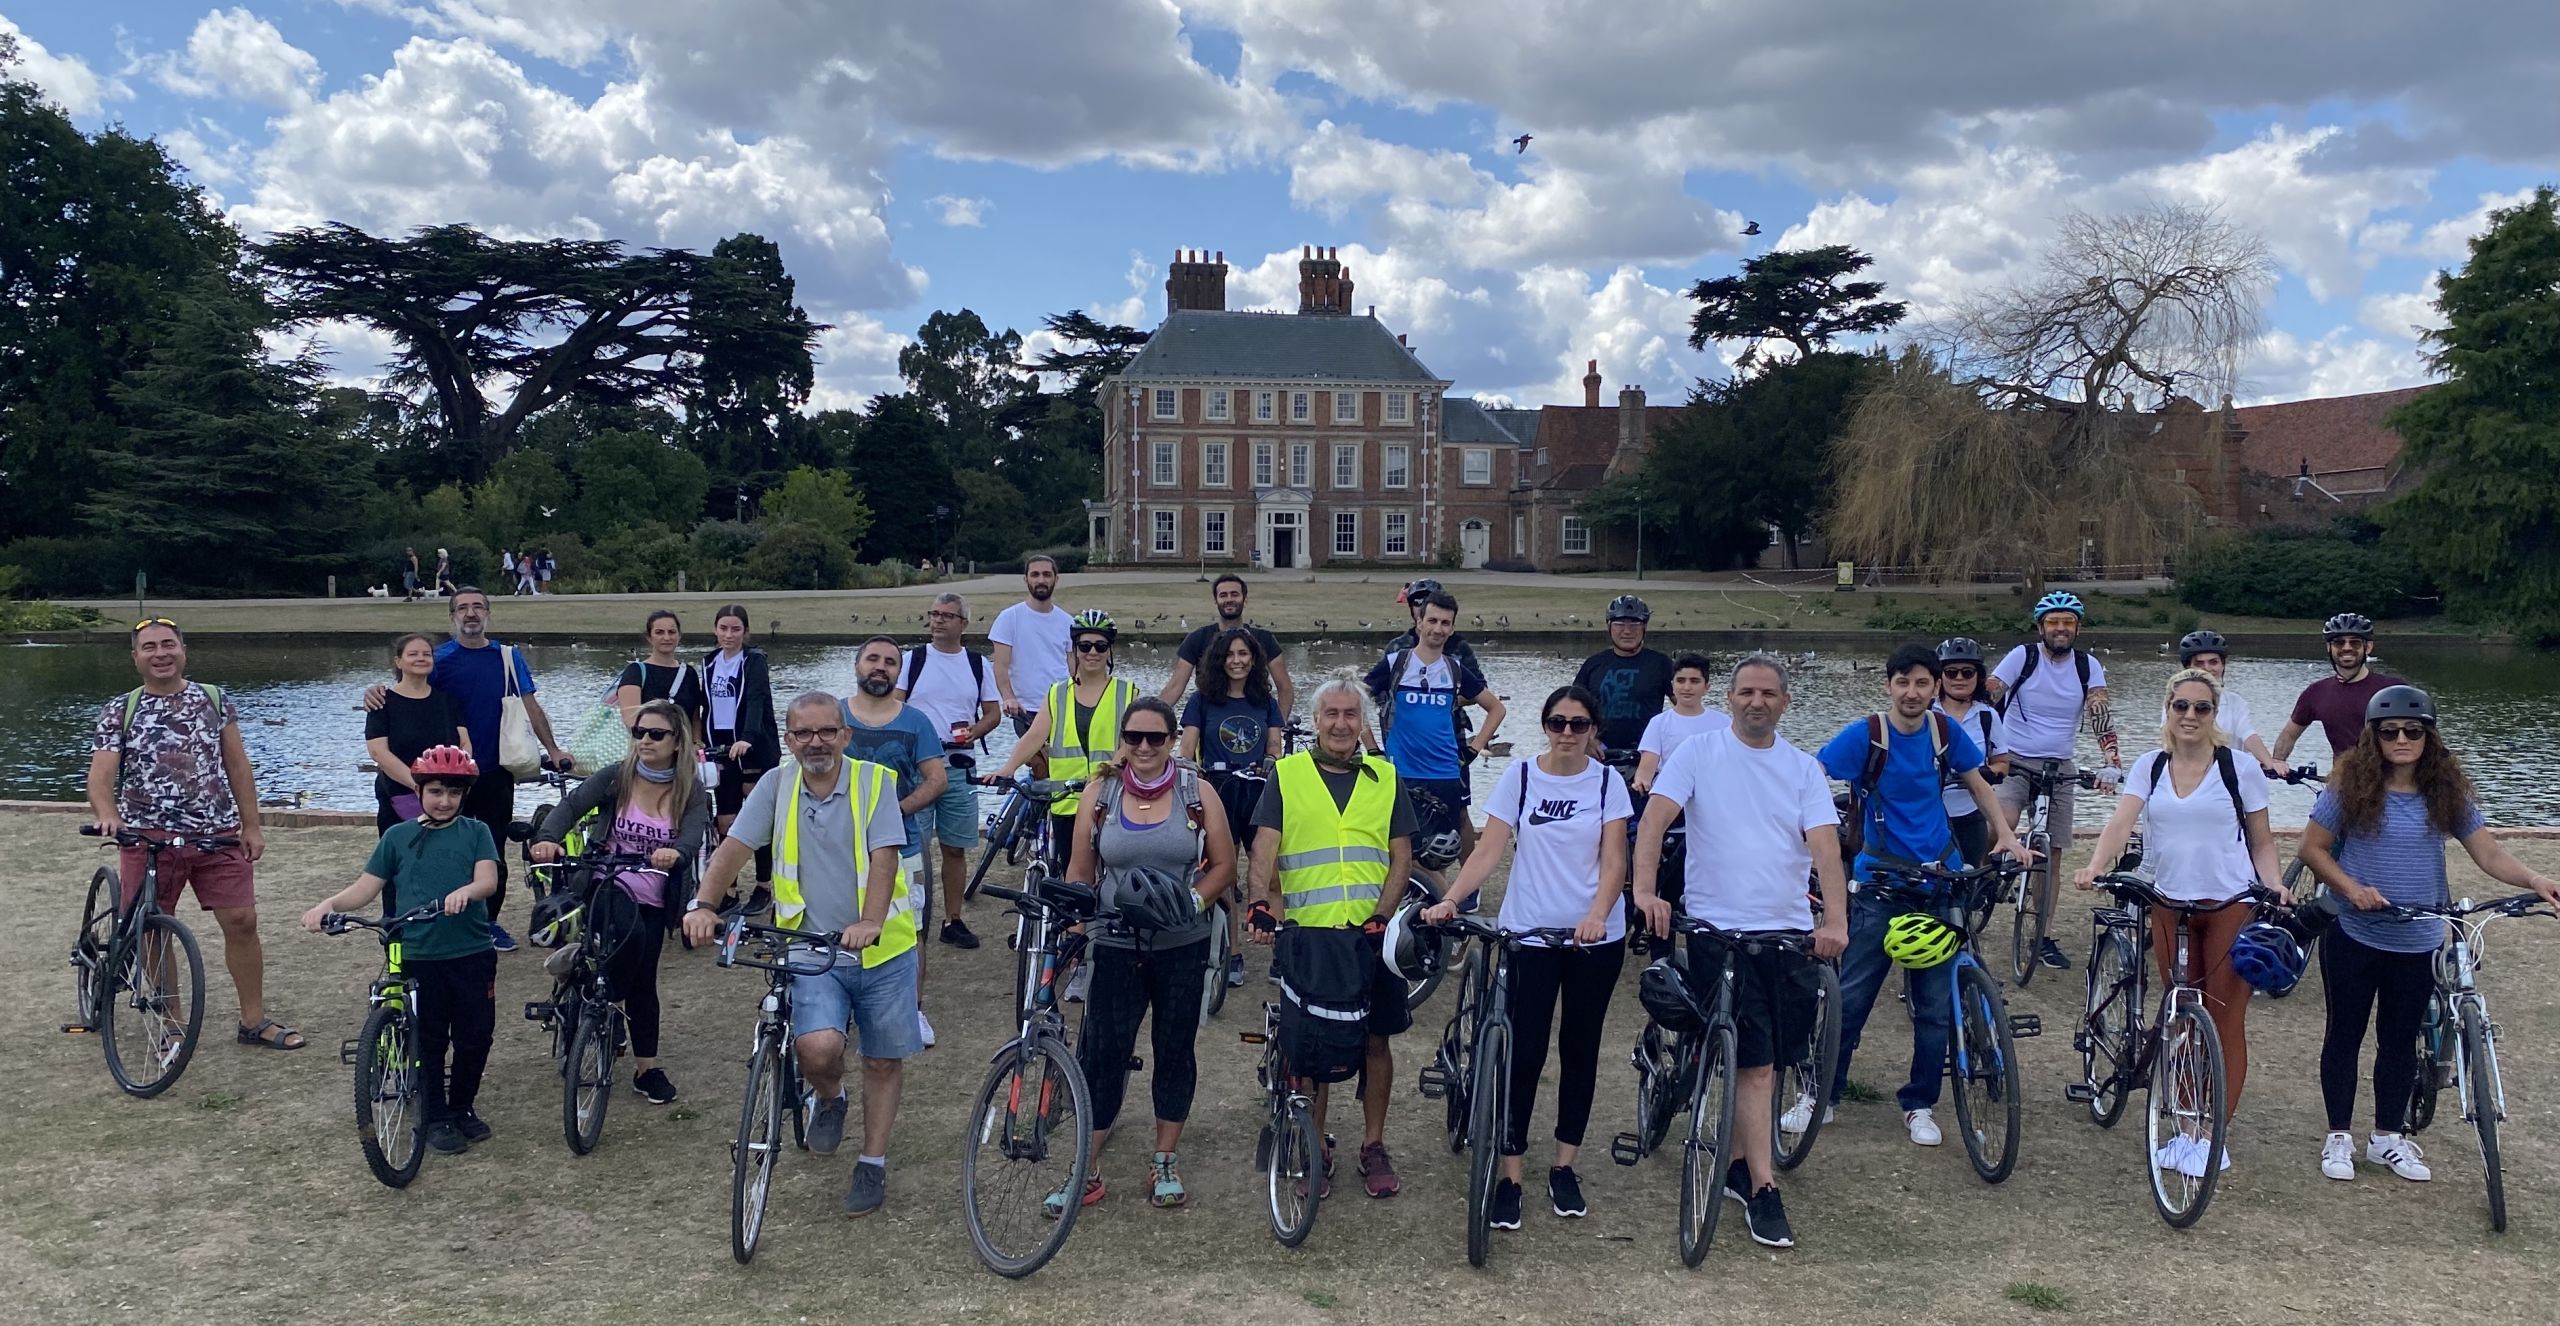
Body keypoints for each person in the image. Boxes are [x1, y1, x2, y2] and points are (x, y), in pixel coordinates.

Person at [2296, 685, 2560, 1184]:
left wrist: (2534, 879)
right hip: (2354, 934)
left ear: (2428, 737)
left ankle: (2387, 1138)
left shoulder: (2445, 793)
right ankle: (2338, 1135)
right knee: (2345, 1034)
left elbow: (2489, 853)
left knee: (2399, 1041)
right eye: (2390, 731)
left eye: (2412, 731)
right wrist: (2353, 889)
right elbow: (2313, 849)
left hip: (2417, 940)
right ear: (2374, 736)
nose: (2401, 739)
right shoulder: (2348, 788)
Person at [1630, 652, 1849, 1249]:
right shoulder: (1699, 754)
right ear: (1730, 699)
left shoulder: (1803, 769)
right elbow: (1654, 823)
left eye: (1768, 694)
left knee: (1769, 1060)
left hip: (1783, 932)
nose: (1757, 702)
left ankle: (1732, 1157)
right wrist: (1645, 889)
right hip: (1715, 928)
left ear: (1784, 702)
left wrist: (1835, 918)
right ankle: (1761, 1187)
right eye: (1746, 692)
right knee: (1754, 1066)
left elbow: (1826, 848)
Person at [683, 693, 919, 1219]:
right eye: (803, 733)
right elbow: (734, 848)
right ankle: (831, 1098)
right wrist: (702, 902)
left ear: (845, 736)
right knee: (815, 1049)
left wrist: (871, 921)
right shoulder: (776, 784)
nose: (816, 742)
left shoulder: (873, 782)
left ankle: (872, 1161)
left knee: (881, 1059)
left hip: (883, 948)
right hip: (810, 948)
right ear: (788, 740)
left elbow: (883, 858)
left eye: (827, 732)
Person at [1425, 685, 1628, 1227]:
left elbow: (1614, 863)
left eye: (1579, 724)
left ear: (1593, 730)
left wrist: (1598, 914)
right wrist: (1450, 900)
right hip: (1530, 935)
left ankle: (1565, 1166)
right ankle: (1510, 1173)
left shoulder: (1608, 784)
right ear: (1545, 725)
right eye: (1558, 722)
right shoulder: (1518, 777)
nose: (1567, 733)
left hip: (1593, 940)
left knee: (1580, 1049)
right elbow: (1490, 850)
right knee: (1524, 1052)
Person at [2078, 669, 2286, 1179]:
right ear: (2167, 712)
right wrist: (2096, 866)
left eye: (2202, 708)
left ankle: (2212, 1133)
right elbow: (2121, 822)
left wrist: (2275, 885)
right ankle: (2185, 1127)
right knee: (2179, 1011)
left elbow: (2261, 841)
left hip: (2230, 901)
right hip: (2168, 901)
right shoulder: (2150, 766)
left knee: (2224, 1017)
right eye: (2181, 707)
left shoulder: (2239, 768)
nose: (2190, 716)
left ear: (2216, 716)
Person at [1819, 643, 2023, 1150]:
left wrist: (2005, 835)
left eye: (1922, 684)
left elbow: (1978, 785)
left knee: (1935, 1006)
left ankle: (1920, 1103)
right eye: (1903, 682)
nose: (1912, 693)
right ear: (1889, 685)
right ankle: (1822, 1093)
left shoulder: (1944, 731)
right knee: (1852, 998)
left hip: (1939, 879)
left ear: (1935, 689)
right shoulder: (1865, 735)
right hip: (1880, 882)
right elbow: (1808, 781)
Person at [1054, 697, 1238, 1211]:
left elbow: (1224, 865)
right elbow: (1080, 868)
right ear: (1123, 739)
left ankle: (1164, 1159)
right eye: (1133, 737)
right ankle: (1085, 1168)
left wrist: (1191, 901)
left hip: (1182, 943)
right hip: (1114, 942)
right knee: (1103, 1052)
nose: (1143, 747)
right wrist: (1078, 921)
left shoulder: (1195, 792)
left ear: (1173, 740)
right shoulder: (1101, 792)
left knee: (1174, 1049)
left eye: (1155, 738)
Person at [86, 619, 300, 1051]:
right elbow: (101, 772)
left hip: (214, 833)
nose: (161, 653)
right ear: (136, 658)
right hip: (147, 837)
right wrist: (108, 814)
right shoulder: (120, 709)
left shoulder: (214, 700)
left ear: (184, 650)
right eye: (150, 647)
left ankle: (253, 1021)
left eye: (169, 644)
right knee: (150, 928)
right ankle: (170, 1021)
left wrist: (251, 824)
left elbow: (237, 766)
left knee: (242, 921)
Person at [1247, 676, 1418, 1200]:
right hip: (1311, 934)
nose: (1341, 724)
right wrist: (1257, 902)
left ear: (1362, 722)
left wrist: (1384, 915)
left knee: (1375, 1041)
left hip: (1370, 935)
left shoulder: (1385, 777)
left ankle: (1373, 1144)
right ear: (1316, 721)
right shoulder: (1288, 774)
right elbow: (1264, 848)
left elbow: (1401, 858)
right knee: (1311, 1048)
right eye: (1331, 715)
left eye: (1350, 715)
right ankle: (1315, 1143)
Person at [300, 746, 499, 1152]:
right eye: (436, 791)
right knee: (427, 1040)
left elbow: (488, 880)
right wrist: (329, 905)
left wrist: (466, 891)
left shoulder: (476, 833)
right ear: (420, 791)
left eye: (454, 794)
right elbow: (366, 888)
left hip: (471, 951)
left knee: (475, 1036)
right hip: (419, 955)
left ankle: (462, 1107)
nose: (445, 801)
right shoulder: (397, 837)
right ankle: (436, 1115)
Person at [366, 588, 573, 951]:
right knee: (438, 852)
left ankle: (487, 923)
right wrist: (377, 691)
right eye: (463, 608)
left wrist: (553, 749)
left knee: (491, 850)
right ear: (452, 617)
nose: (471, 613)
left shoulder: (508, 657)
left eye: (478, 606)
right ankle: (425, 923)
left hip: (493, 770)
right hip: (443, 779)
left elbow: (530, 705)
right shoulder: (440, 659)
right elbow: (410, 692)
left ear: (488, 614)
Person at [529, 698, 710, 1104]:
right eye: (638, 732)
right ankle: (593, 1003)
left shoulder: (691, 791)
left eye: (656, 734)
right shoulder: (618, 777)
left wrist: (676, 853)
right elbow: (572, 806)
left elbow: (692, 837)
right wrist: (547, 839)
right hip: (604, 881)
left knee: (643, 979)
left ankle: (646, 1069)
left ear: (677, 742)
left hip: (654, 893)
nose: (645, 740)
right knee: (615, 946)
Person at [1987, 590, 2121, 970]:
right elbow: (1990, 691)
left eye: (2068, 622)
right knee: (2004, 821)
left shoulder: (2087, 665)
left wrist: (2112, 761)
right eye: (2053, 622)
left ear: (2077, 628)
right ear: (2040, 627)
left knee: (2053, 855)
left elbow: (2100, 712)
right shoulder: (2023, 657)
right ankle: (1983, 880)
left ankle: (2042, 936)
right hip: (2014, 757)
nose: (2060, 629)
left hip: (2060, 764)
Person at [839, 638, 950, 1047]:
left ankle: (912, 1009)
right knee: (839, 922)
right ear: (857, 664)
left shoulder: (916, 721)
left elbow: (936, 780)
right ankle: (840, 1005)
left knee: (910, 928)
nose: (881, 667)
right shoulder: (833, 715)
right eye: (873, 659)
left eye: (890, 662)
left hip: (902, 846)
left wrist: (894, 811)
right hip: (838, 847)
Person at [1363, 591, 1504, 887]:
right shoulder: (1395, 664)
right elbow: (1355, 703)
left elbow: (1496, 709)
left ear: (1452, 629)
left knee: (1434, 856)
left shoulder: (1454, 669)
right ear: (1419, 623)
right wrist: (1373, 749)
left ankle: (1441, 908)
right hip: (1402, 775)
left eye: (1445, 623)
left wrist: (1474, 749)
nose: (1438, 629)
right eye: (1432, 621)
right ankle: (1436, 906)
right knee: (1402, 853)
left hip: (1444, 775)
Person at [892, 592, 1002, 950]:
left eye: (947, 616)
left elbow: (992, 714)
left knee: (955, 847)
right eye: (934, 614)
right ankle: (909, 920)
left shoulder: (976, 664)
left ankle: (952, 919)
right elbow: (894, 705)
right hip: (917, 765)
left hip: (959, 762)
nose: (938, 621)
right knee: (914, 847)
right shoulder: (913, 660)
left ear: (963, 624)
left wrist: (974, 731)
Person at [1180, 626, 1287, 989]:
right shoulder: (1202, 700)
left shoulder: (1265, 701)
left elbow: (1275, 743)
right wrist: (1188, 767)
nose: (1237, 661)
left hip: (1258, 792)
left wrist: (1272, 760)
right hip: (1219, 790)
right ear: (1219, 660)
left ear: (1253, 659)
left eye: (1243, 654)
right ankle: (1232, 954)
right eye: (1230, 655)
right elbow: (1187, 745)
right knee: (1223, 873)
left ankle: (1281, 951)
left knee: (1270, 872)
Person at [991, 610, 1139, 851]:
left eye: (1101, 646)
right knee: (1069, 877)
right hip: (1065, 800)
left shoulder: (1128, 692)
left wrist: (1108, 772)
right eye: (1085, 646)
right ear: (1075, 649)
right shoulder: (1057, 693)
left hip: (1111, 799)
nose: (1092, 652)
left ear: (1110, 650)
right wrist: (1008, 768)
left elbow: (1130, 744)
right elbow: (1035, 736)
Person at [703, 605, 780, 901]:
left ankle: (763, 886)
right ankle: (729, 888)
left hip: (754, 746)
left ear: (745, 632)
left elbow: (756, 699)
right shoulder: (709, 662)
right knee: (726, 820)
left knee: (758, 817)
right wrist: (699, 737)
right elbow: (706, 704)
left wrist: (748, 738)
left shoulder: (754, 661)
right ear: (715, 630)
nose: (729, 635)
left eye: (735, 629)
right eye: (723, 628)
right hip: (721, 746)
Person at [366, 633, 470, 835]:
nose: (421, 658)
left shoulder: (447, 700)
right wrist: (419, 786)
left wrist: (456, 781)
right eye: (413, 654)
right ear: (398, 661)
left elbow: (464, 743)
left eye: (426, 654)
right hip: (400, 794)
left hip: (446, 797)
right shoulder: (382, 702)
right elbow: (379, 752)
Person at [2274, 613, 2403, 767]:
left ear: (2368, 647)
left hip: (2390, 782)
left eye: (2354, 643)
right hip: (2342, 782)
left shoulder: (2394, 689)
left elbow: (2423, 736)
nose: (2346, 648)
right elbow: (2289, 734)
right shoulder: (2316, 692)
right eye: (2339, 643)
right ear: (2329, 647)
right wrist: (2277, 762)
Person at [1158, 573, 1296, 716]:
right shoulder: (1197, 639)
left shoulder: (1265, 639)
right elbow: (1175, 687)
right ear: (1215, 600)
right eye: (1223, 595)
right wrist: (1149, 720)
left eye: (1234, 594)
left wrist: (1278, 725)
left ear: (1245, 599)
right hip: (1210, 717)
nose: (1229, 599)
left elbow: (1285, 688)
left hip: (1255, 716)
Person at [1931, 638, 2011, 868]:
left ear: (1978, 677)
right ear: (1940, 676)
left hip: (1970, 811)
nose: (1959, 679)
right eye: (1951, 672)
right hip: (1930, 812)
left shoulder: (1987, 716)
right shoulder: (1925, 712)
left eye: (1967, 672)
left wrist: (1982, 773)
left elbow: (2002, 763)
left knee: (1967, 880)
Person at [990, 555, 1074, 763]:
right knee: (1040, 766)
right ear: (1026, 579)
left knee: (1063, 767)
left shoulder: (1068, 622)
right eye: (1035, 575)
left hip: (1062, 708)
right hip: (1026, 710)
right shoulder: (1009, 618)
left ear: (1056, 579)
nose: (1041, 580)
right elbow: (1000, 666)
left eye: (1046, 574)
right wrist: (1009, 697)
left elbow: (1074, 670)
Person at [2164, 631, 2282, 776]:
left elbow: (2248, 735)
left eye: (2213, 662)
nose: (2207, 668)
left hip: (2229, 776)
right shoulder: (2176, 704)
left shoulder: (2235, 703)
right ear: (2187, 667)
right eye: (2199, 663)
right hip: (2187, 775)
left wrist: (2269, 763)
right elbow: (2168, 741)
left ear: (2223, 665)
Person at [1573, 595, 1674, 758]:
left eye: (1635, 624)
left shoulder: (1661, 663)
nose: (1627, 631)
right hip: (1601, 753)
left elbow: (1684, 706)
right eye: (1620, 624)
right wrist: (1589, 740)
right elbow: (1574, 708)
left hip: (1647, 753)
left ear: (1644, 627)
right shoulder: (1593, 664)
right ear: (1609, 626)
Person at [614, 610, 708, 741]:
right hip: (649, 749)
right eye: (659, 632)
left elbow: (695, 718)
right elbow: (631, 720)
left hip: (683, 752)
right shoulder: (635, 672)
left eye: (672, 632)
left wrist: (696, 744)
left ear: (679, 636)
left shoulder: (689, 673)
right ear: (649, 637)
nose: (667, 638)